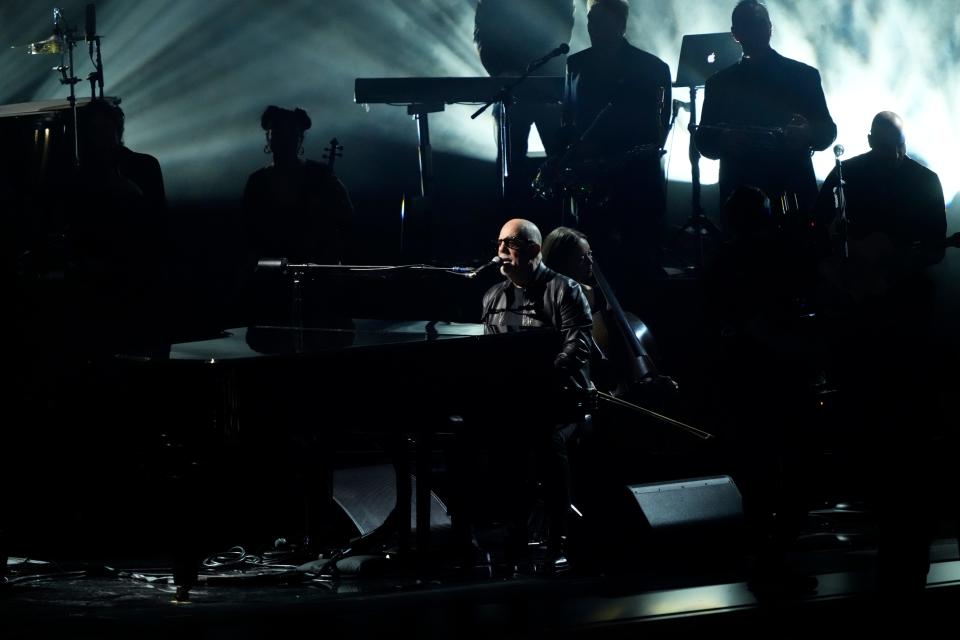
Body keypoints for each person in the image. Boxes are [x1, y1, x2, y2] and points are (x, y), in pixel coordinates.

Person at [814, 111, 948, 598]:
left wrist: (899, 262)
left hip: (903, 302)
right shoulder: (848, 174)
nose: (891, 153)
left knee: (898, 389)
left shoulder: (923, 180)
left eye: (896, 145)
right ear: (870, 140)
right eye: (883, 144)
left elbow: (933, 245)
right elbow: (819, 222)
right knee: (863, 390)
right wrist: (840, 264)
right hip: (860, 305)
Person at [449, 218, 593, 575]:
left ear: (532, 249)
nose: (500, 251)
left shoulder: (564, 289)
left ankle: (557, 537)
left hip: (560, 402)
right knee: (472, 440)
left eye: (509, 244)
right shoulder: (492, 295)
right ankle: (496, 536)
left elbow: (579, 344)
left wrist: (543, 378)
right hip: (512, 404)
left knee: (545, 441)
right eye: (498, 243)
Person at [559, 0, 672, 298]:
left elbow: (658, 129)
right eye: (590, 20)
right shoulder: (575, 64)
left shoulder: (652, 68)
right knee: (595, 258)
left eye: (599, 21)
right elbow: (568, 121)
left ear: (621, 24)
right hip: (592, 178)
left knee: (639, 258)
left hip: (634, 177)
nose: (592, 27)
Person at [695, 0, 837, 215]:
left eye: (759, 23)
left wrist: (809, 133)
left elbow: (828, 130)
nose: (755, 30)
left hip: (786, 191)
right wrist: (722, 139)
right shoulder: (718, 83)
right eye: (748, 24)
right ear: (735, 33)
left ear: (770, 27)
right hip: (743, 198)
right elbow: (703, 139)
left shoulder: (804, 76)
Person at [241, 106, 353, 326]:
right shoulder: (257, 182)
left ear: (300, 139)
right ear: (268, 137)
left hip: (318, 279)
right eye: (277, 133)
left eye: (290, 134)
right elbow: (247, 234)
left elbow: (346, 216)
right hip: (272, 281)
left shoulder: (321, 175)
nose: (283, 140)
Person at [474, 1, 575, 208]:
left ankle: (559, 220)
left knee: (561, 163)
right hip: (517, 89)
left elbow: (564, 26)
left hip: (545, 88)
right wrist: (503, 75)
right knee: (511, 167)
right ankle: (513, 220)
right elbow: (483, 33)